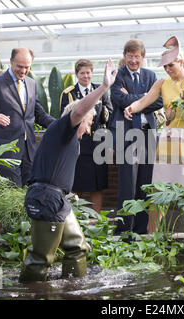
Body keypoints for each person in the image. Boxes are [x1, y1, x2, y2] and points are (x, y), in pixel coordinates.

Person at [19, 59, 117, 282]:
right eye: (89, 121)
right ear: (80, 118)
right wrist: (103, 88)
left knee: (77, 248)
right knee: (41, 259)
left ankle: (74, 289)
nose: (90, 126)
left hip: (59, 200)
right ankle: (29, 292)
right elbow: (80, 110)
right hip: (45, 199)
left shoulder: (69, 137)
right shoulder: (63, 127)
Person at [124, 36, 184, 233]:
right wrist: (131, 107)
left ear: (180, 61)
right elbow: (144, 101)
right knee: (159, 191)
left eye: (170, 65)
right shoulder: (162, 83)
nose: (167, 70)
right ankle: (152, 237)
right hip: (169, 140)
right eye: (164, 67)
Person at [0, 48, 56, 187]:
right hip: (7, 151)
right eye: (20, 66)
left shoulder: (31, 84)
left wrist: (63, 124)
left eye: (27, 67)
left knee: (30, 193)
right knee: (12, 194)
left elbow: (39, 114)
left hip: (29, 152)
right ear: (11, 62)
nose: (23, 71)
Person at [109, 39, 163, 235]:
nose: (133, 60)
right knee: (127, 186)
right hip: (126, 135)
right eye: (130, 56)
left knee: (145, 185)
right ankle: (124, 230)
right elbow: (118, 99)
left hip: (148, 134)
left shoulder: (151, 75)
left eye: (137, 56)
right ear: (125, 56)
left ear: (143, 57)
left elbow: (160, 101)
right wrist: (146, 96)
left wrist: (134, 98)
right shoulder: (118, 76)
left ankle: (141, 230)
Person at [59, 59, 113, 214]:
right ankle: (77, 218)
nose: (86, 76)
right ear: (76, 74)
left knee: (98, 184)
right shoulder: (68, 94)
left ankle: (96, 219)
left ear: (92, 73)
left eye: (88, 72)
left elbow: (109, 115)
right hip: (79, 144)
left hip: (98, 144)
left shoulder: (101, 90)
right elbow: (64, 119)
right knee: (77, 184)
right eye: (82, 73)